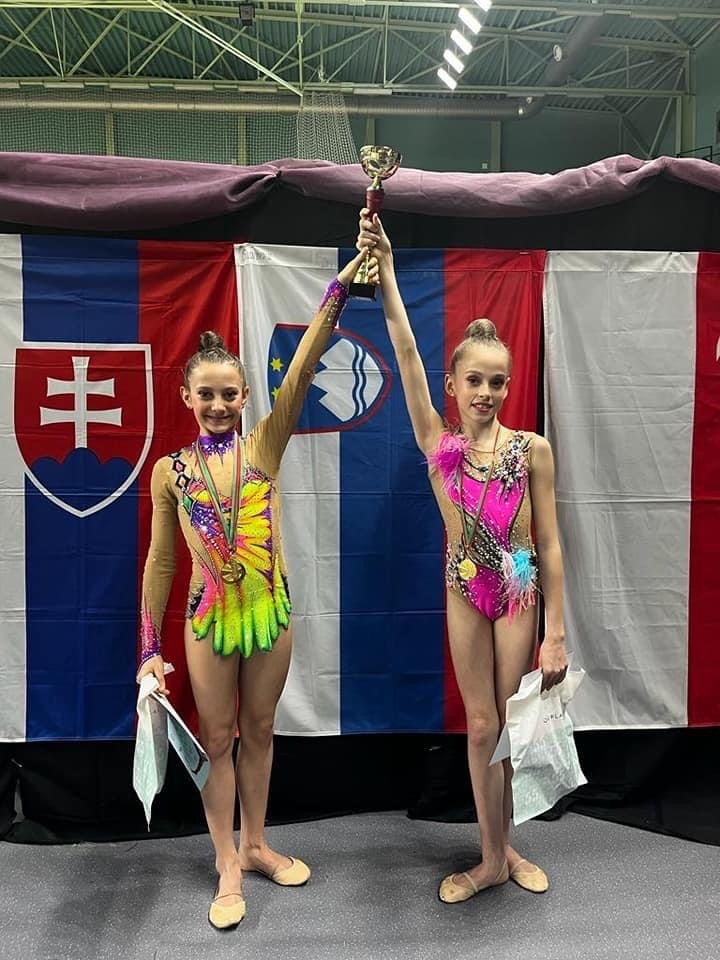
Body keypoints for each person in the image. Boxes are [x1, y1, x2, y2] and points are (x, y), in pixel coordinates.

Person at [136, 248, 371, 929]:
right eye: (205, 394)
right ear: (187, 398)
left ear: (245, 397)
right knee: (218, 739)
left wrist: (339, 289)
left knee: (261, 730)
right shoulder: (170, 472)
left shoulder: (264, 446)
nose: (218, 405)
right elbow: (160, 562)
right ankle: (226, 862)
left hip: (269, 614)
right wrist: (148, 649)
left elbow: (302, 369)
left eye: (229, 394)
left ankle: (257, 843)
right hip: (210, 619)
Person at [356, 210, 568, 903]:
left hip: (517, 590)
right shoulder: (437, 445)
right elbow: (405, 350)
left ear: (509, 386)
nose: (485, 393)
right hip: (462, 588)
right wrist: (387, 271)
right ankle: (491, 856)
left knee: (508, 722)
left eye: (497, 382)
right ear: (452, 387)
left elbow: (551, 542)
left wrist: (557, 632)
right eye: (474, 380)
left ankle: (504, 848)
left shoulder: (531, 449)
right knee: (479, 725)